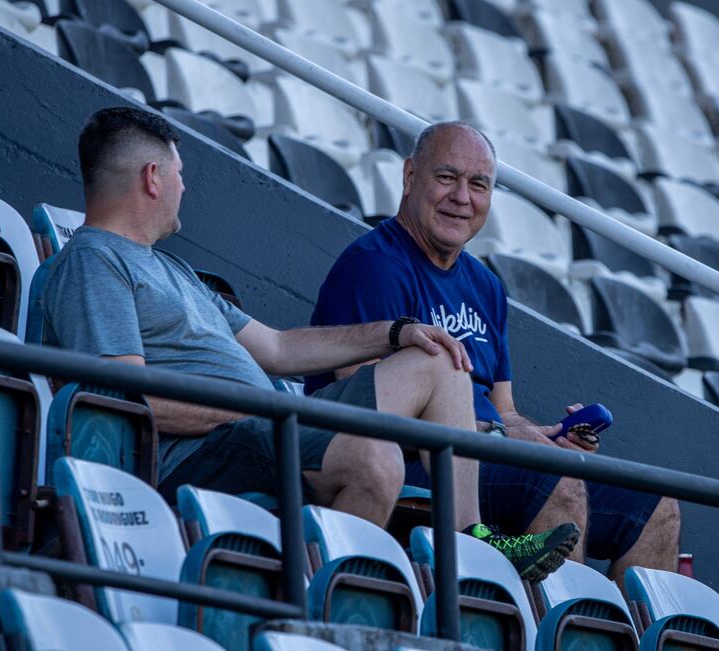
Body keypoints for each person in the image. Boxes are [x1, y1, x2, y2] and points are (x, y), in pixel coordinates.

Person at [44, 106, 578, 581]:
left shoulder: (174, 269)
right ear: (153, 178)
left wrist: (396, 332)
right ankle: (320, 603)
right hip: (213, 448)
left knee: (426, 378)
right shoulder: (95, 260)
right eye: (180, 175)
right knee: (377, 455)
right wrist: (255, 408)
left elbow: (278, 349)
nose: (185, 188)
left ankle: (464, 542)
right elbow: (122, 397)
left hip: (265, 429)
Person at [307, 121, 680, 588]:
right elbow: (364, 405)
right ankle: (548, 624)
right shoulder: (374, 265)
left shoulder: (486, 286)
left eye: (478, 184)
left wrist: (546, 435)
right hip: (418, 461)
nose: (462, 197)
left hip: (487, 453)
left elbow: (503, 409)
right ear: (409, 177)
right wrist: (501, 436)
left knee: (656, 506)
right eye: (447, 177)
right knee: (555, 481)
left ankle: (593, 623)